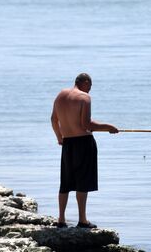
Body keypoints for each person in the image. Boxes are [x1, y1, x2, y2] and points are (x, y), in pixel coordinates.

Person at [51, 73, 118, 229]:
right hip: (83, 143)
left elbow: (53, 119)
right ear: (85, 82)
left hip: (67, 143)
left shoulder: (60, 95)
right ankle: (82, 220)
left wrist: (59, 137)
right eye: (90, 86)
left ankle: (61, 219)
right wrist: (109, 127)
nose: (90, 90)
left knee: (65, 182)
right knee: (83, 181)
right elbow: (86, 124)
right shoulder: (84, 98)